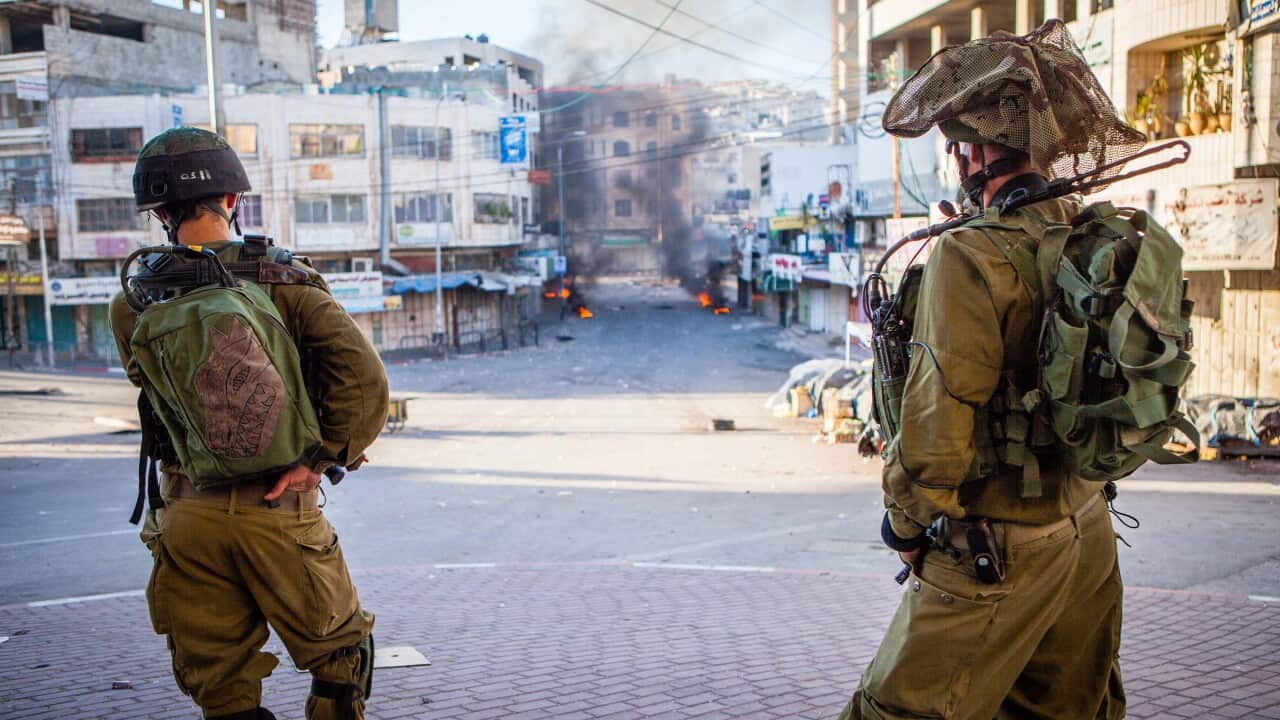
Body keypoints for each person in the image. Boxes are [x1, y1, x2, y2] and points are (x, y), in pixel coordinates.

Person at [836, 20, 1149, 720]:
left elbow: (935, 432)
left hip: (997, 546)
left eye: (955, 147)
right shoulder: (1080, 225)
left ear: (974, 151)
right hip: (1086, 531)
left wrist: (905, 528)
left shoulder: (968, 255)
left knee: (893, 711)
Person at [110, 127, 389, 720]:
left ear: (159, 213)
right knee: (341, 660)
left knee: (222, 688)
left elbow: (151, 390)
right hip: (278, 510)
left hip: (186, 517)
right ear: (232, 199)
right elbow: (364, 383)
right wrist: (321, 458)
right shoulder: (286, 281)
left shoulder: (133, 302)